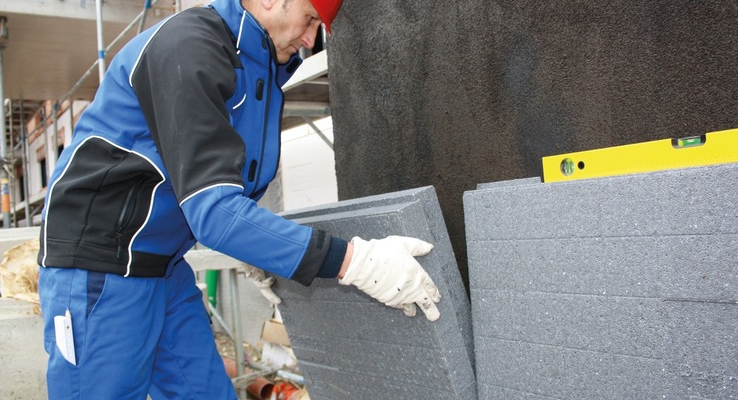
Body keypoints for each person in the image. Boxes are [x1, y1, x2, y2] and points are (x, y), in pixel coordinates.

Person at [37, 0, 441, 398]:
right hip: (98, 268)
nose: (310, 38)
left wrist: (260, 248)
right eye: (310, 19)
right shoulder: (189, 47)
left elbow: (222, 190)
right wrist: (358, 263)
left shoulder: (255, 68)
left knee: (204, 392)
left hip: (163, 265)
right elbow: (213, 211)